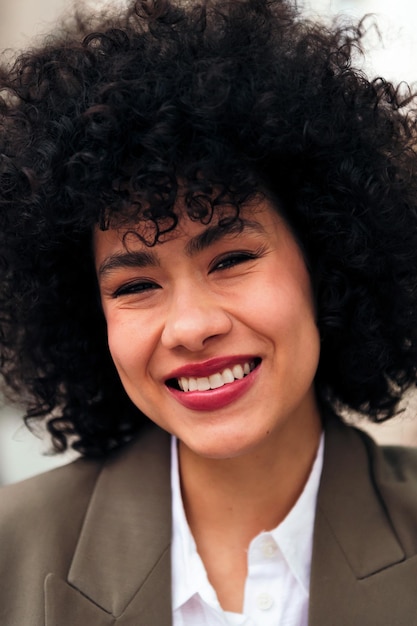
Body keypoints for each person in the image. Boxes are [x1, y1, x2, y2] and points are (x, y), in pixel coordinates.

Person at [1, 0, 417, 623]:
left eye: (230, 259)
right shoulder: (13, 553)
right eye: (135, 286)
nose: (193, 326)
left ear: (327, 263)